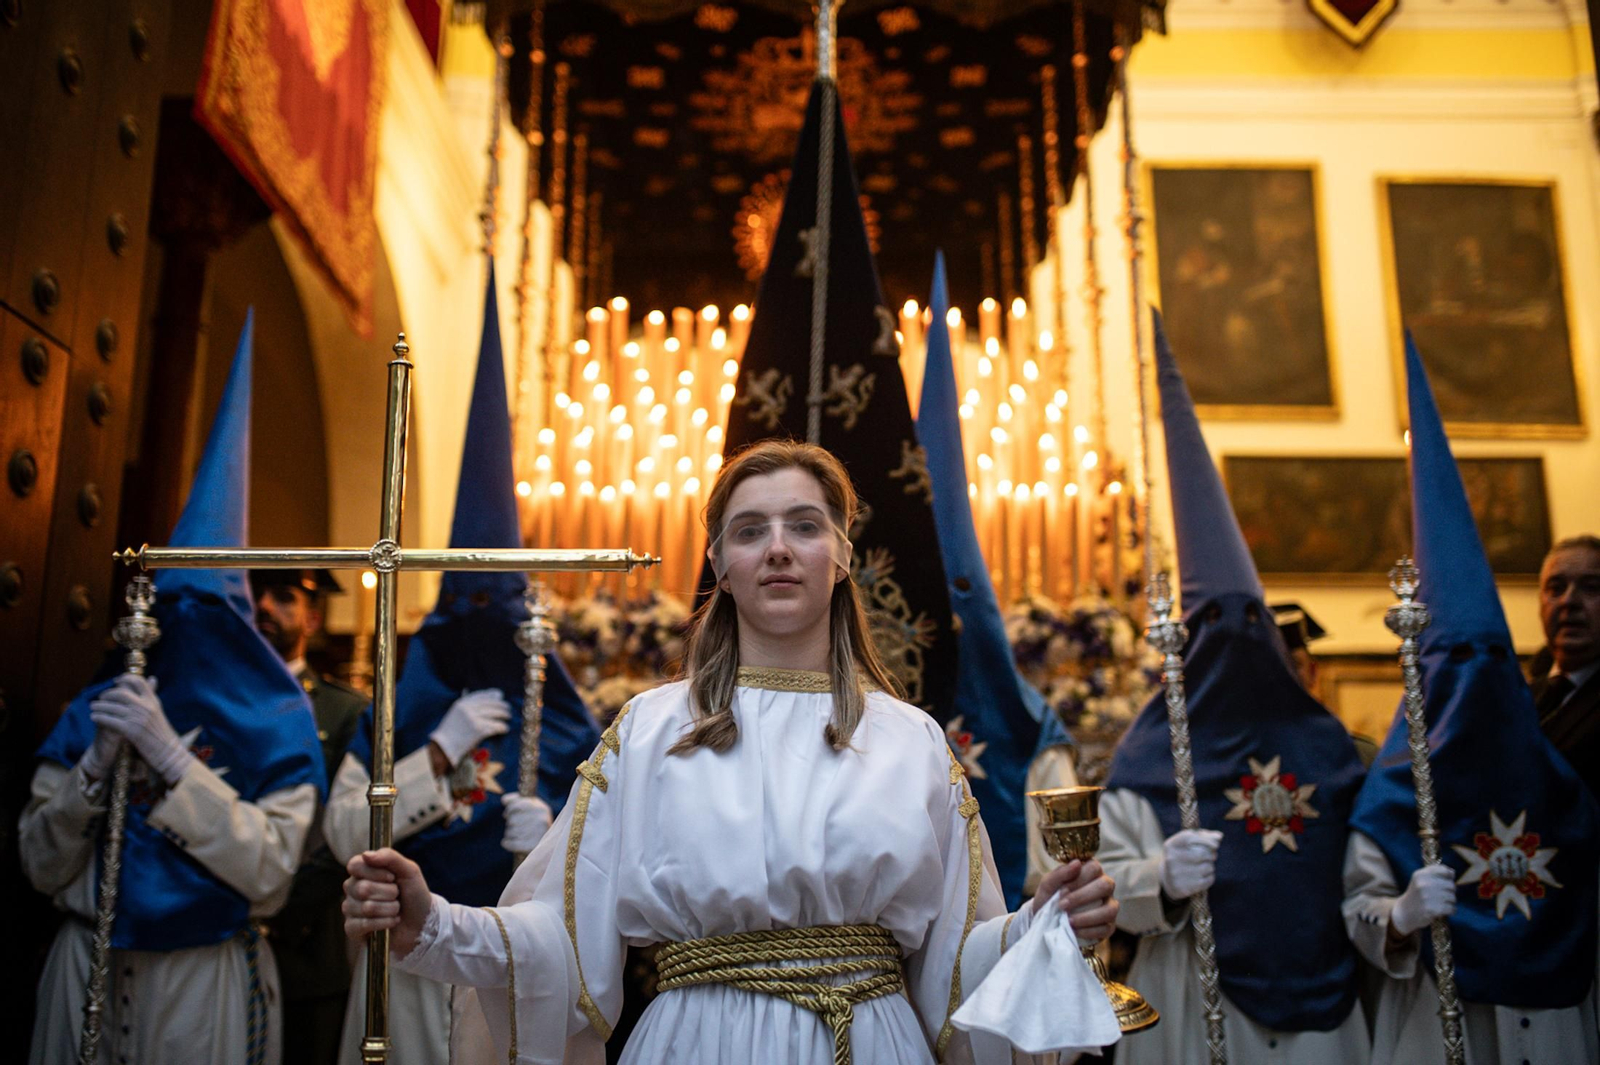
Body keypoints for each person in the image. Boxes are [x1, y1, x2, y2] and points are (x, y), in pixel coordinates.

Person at [342, 439, 1122, 1064]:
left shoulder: (910, 739)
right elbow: (560, 939)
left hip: (872, 1037)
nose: (779, 548)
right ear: (718, 560)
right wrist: (433, 921)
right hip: (697, 1038)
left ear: (842, 555)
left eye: (805, 525)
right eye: (751, 530)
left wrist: (1044, 928)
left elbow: (958, 960)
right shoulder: (649, 730)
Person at [21, 313, 326, 1065]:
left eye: (209, 615)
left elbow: (269, 872)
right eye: (173, 608)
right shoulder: (99, 704)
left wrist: (171, 759)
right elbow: (38, 862)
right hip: (85, 958)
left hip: (202, 976)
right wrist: (92, 770)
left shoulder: (281, 724)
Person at [323, 271, 602, 1065]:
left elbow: (618, 874)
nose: (482, 632)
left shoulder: (566, 720)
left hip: (512, 972)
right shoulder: (403, 712)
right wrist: (432, 756)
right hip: (399, 973)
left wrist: (552, 846)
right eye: (465, 613)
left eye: (498, 615)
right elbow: (341, 833)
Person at [1098, 313, 1370, 1065]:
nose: (1236, 640)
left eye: (1251, 622)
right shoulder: (1151, 754)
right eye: (1215, 623)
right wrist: (1161, 876)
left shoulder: (1331, 751)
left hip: (1326, 1005)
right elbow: (1105, 884)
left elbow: (1367, 871)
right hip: (1194, 991)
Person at [1343, 337, 1600, 1065]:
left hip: (1556, 1017)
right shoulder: (1397, 784)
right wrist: (1398, 916)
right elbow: (1358, 905)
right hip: (1435, 1016)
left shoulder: (1557, 779)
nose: (1471, 678)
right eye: (1453, 662)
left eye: (1486, 659)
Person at [254, 568, 369, 1065]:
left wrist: (273, 904)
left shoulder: (344, 712)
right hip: (214, 928)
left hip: (306, 939)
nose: (262, 607)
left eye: (283, 598)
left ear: (312, 618)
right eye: (254, 595)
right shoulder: (217, 703)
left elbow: (342, 832)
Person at [1530, 534, 1600, 799]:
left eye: (1591, 588)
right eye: (1556, 588)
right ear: (1540, 606)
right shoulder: (1517, 696)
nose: (1569, 601)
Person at [1273, 601, 1380, 768]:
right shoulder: (1230, 758)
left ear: (1313, 672)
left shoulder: (1357, 757)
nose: (1286, 674)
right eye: (1275, 665)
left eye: (1294, 664)